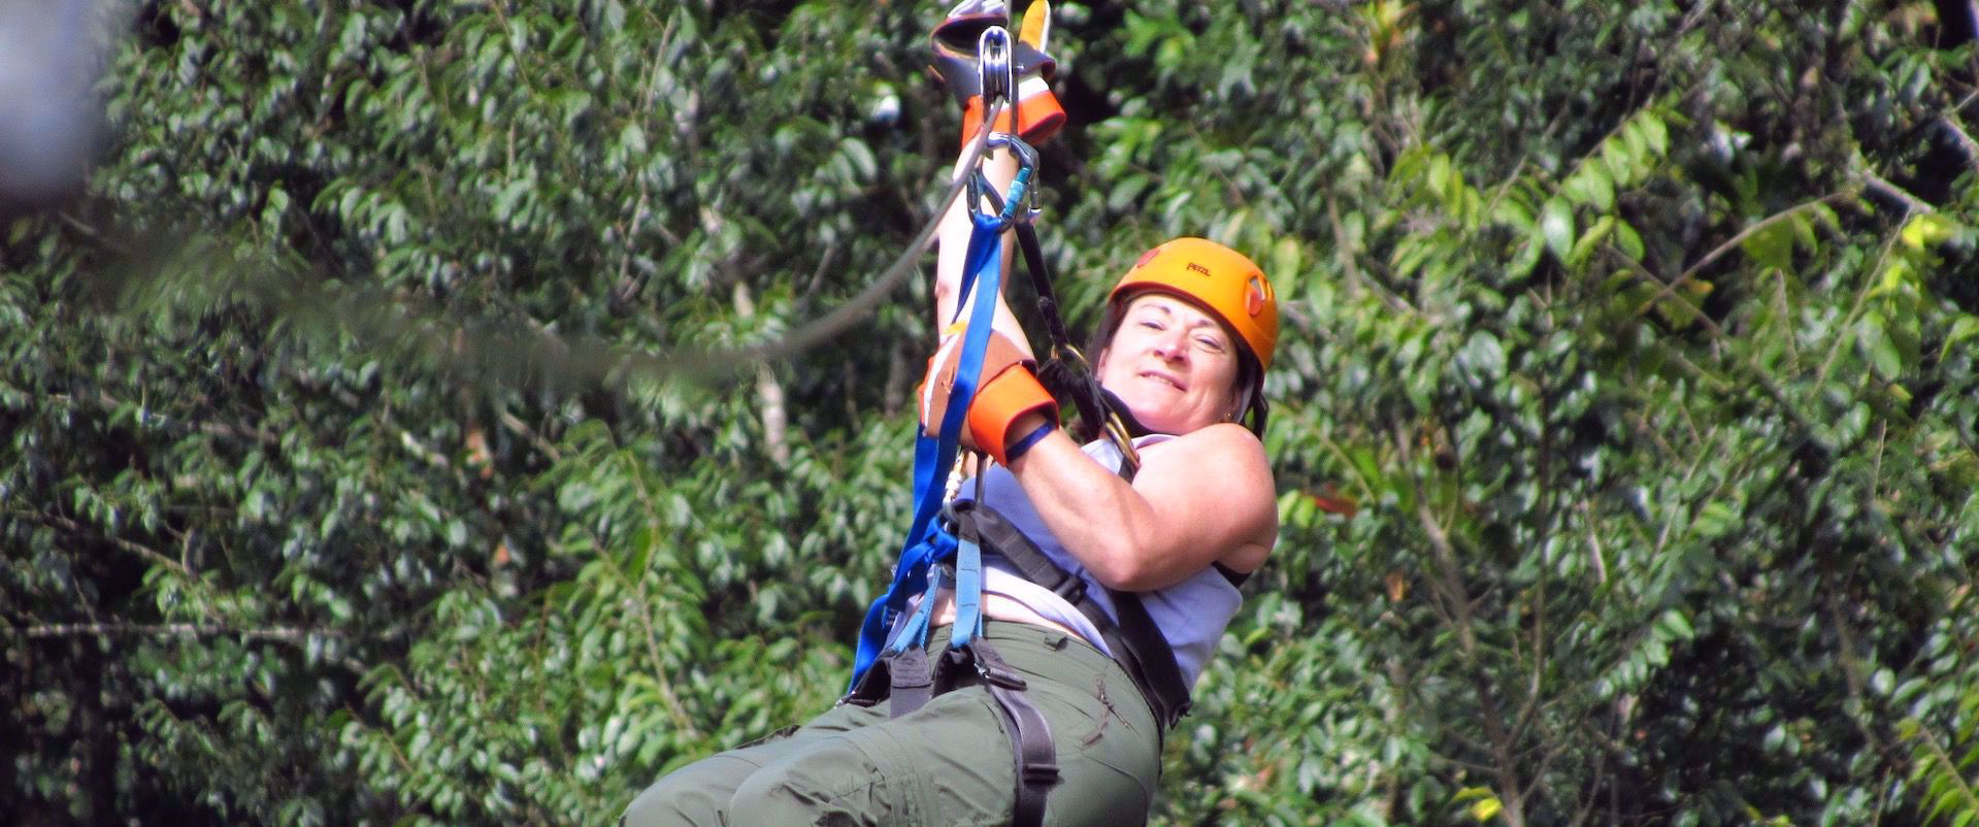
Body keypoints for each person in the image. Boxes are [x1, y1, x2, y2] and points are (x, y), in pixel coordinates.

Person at [620, 3, 1279, 824]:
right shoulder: (1045, 439)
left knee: (788, 803)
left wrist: (1012, 417)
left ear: (1236, 398)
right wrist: (997, 122)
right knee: (674, 809)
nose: (1173, 346)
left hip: (1066, 702)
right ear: (1101, 353)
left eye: (1206, 343)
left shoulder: (1224, 460)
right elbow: (964, 295)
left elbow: (1125, 544)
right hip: (918, 683)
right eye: (1153, 323)